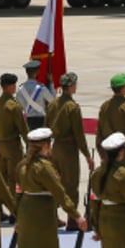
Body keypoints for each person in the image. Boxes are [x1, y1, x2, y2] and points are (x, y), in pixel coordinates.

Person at [15, 127, 84, 248]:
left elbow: (18, 193)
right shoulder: (44, 167)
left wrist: (18, 218)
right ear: (46, 145)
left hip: (26, 210)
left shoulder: (22, 165)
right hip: (42, 212)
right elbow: (60, 193)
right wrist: (76, 215)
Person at [46, 71, 92, 221]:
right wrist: (87, 155)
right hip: (68, 149)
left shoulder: (53, 104)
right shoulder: (72, 107)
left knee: (55, 184)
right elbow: (79, 134)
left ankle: (52, 215)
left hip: (55, 148)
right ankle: (72, 219)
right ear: (71, 86)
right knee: (71, 185)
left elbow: (46, 127)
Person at [0, 72, 28, 205]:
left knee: (3, 178)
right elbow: (23, 129)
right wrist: (30, 146)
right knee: (14, 179)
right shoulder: (13, 106)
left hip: (1, 146)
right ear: (9, 86)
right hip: (13, 147)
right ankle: (14, 207)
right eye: (13, 85)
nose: (15, 87)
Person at [15, 60, 55, 130]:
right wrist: (51, 83)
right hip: (42, 120)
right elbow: (53, 100)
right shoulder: (41, 88)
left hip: (29, 120)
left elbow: (18, 106)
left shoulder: (21, 89)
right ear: (37, 72)